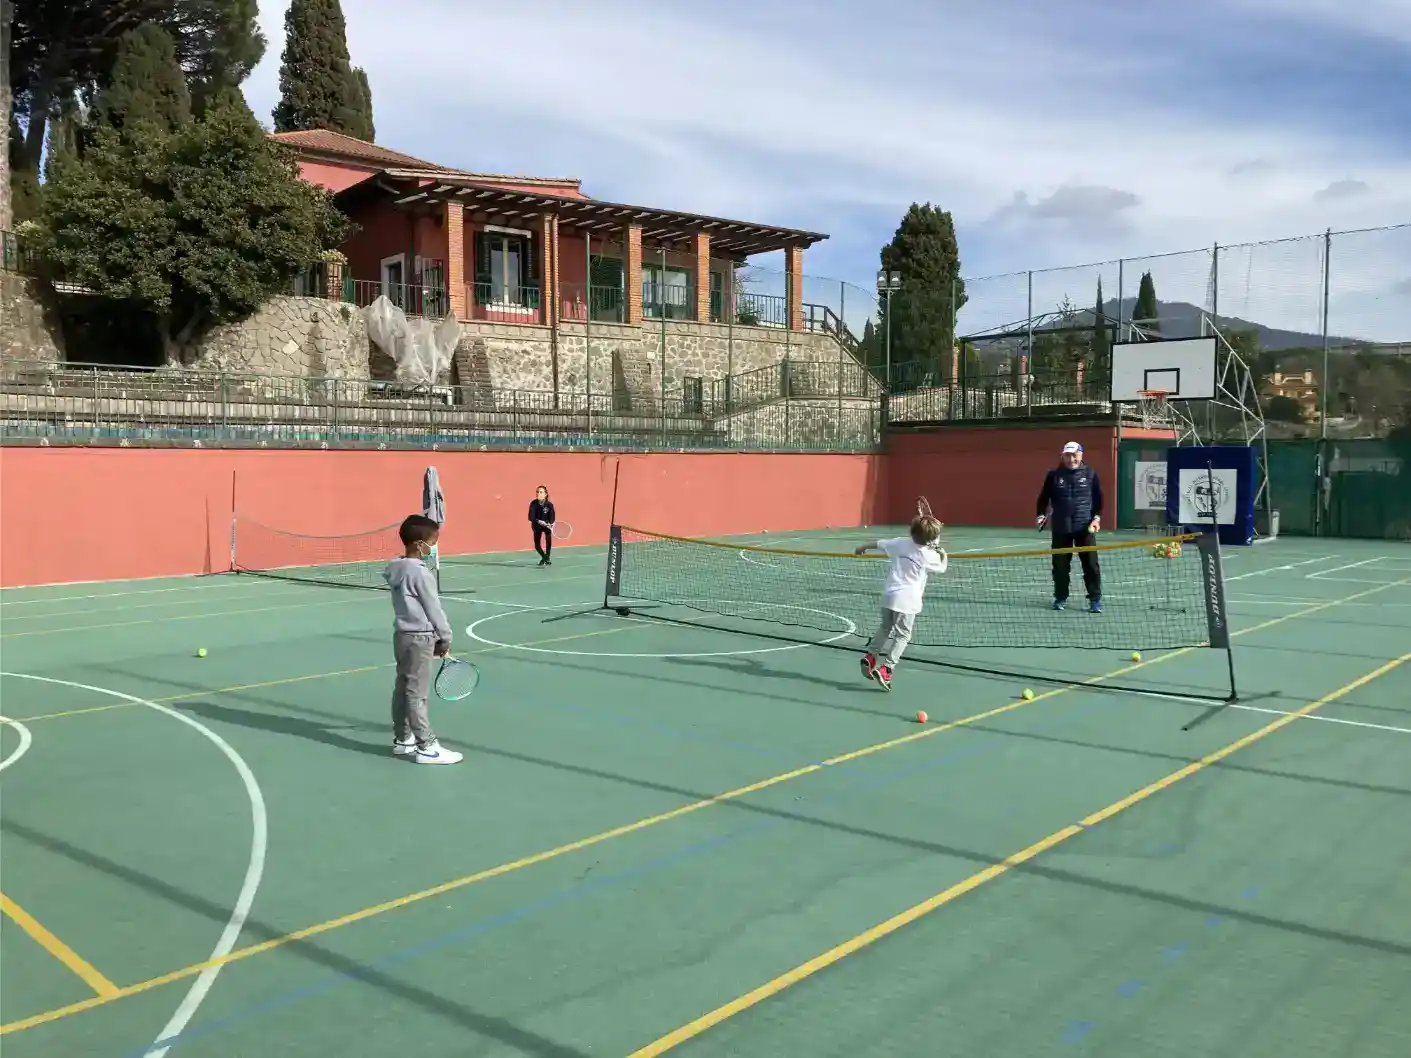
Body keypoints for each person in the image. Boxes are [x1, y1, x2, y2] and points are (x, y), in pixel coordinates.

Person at [383, 514, 463, 765]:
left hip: (402, 636)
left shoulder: (395, 568)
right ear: (419, 544)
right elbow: (433, 609)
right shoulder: (421, 574)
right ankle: (426, 746)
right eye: (433, 541)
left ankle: (402, 738)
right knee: (417, 693)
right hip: (420, 637)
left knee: (402, 687)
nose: (434, 547)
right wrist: (445, 637)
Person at [854, 514, 947, 690]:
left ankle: (871, 656)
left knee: (885, 627)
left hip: (889, 595)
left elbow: (879, 544)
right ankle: (887, 668)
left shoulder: (900, 543)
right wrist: (942, 553)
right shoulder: (929, 555)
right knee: (903, 635)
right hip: (908, 601)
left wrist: (862, 547)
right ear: (931, 538)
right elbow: (942, 567)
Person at [1036, 440, 1104, 613]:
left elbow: (1099, 499)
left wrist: (1096, 518)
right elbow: (1043, 499)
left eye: (1074, 455)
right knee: (1060, 566)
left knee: (1091, 565)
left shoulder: (1090, 473)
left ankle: (1095, 600)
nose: (1071, 459)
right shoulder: (1053, 475)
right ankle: (1060, 597)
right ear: (1062, 456)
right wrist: (1041, 515)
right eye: (1067, 455)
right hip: (1061, 528)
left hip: (1084, 527)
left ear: (1081, 455)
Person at [528, 485, 555, 566]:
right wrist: (539, 521)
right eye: (537, 492)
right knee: (537, 545)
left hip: (547, 526)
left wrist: (551, 523)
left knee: (548, 542)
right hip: (537, 525)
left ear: (545, 494)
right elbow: (530, 517)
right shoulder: (533, 504)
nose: (538, 494)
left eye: (541, 492)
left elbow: (552, 516)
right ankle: (545, 558)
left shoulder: (549, 505)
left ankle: (547, 557)